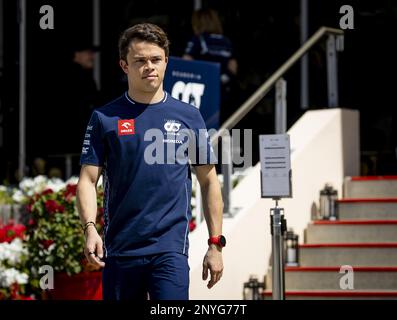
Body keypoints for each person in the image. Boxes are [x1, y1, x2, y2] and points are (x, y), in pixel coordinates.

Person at [76, 23, 225, 300]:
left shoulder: (189, 116)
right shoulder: (104, 118)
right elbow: (87, 180)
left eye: (156, 59)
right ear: (124, 65)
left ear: (166, 62)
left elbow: (209, 181)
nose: (149, 67)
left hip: (170, 251)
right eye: (140, 61)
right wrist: (89, 228)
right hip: (120, 250)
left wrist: (215, 244)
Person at [183, 8, 239, 123]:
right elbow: (233, 66)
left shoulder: (198, 39)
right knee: (224, 125)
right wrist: (221, 80)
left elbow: (186, 62)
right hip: (224, 90)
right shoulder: (226, 41)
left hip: (202, 91)